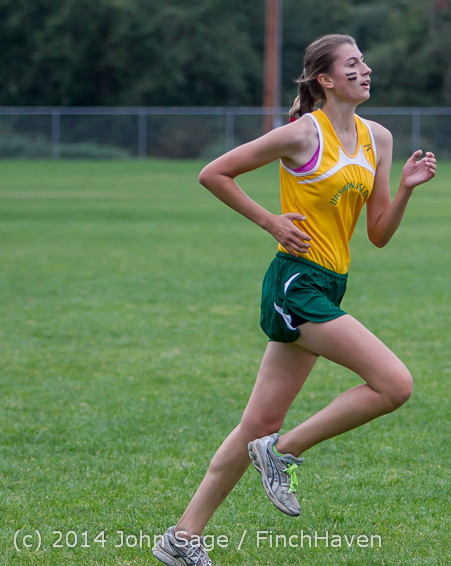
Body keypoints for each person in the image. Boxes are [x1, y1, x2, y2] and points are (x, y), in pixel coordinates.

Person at [152, 33, 436, 566]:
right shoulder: (302, 133)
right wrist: (271, 222)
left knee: (257, 423)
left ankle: (182, 537)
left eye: (364, 62)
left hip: (329, 283)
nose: (365, 70)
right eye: (352, 64)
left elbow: (377, 233)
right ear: (325, 79)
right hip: (296, 285)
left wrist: (405, 190)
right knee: (394, 384)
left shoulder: (378, 138)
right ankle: (283, 452)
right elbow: (214, 173)